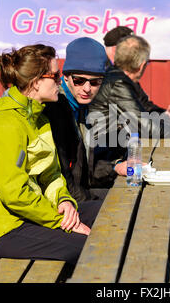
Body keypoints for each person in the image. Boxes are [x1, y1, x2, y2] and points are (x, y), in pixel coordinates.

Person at [0, 44, 102, 265]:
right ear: (35, 81)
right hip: (7, 228)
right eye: (56, 75)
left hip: (37, 213)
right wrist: (57, 219)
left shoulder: (38, 116)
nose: (61, 81)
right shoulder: (5, 123)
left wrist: (64, 201)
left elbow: (51, 173)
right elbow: (13, 194)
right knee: (95, 246)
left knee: (108, 212)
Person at [90, 34, 170, 153]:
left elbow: (145, 108)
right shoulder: (117, 84)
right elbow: (144, 126)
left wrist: (169, 117)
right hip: (104, 156)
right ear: (141, 66)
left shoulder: (122, 78)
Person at [43, 37, 125, 196]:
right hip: (61, 200)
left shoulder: (85, 104)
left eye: (95, 82)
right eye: (79, 80)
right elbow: (63, 176)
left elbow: (87, 166)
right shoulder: (53, 107)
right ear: (65, 76)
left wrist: (116, 166)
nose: (87, 88)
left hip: (81, 190)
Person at [103, 26, 170, 124]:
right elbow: (141, 125)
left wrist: (167, 115)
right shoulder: (115, 82)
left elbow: (144, 107)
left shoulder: (124, 78)